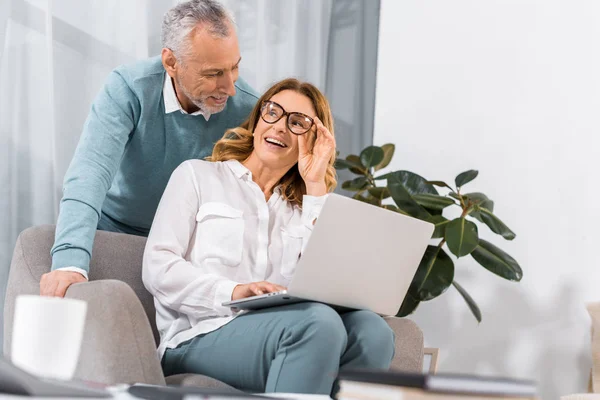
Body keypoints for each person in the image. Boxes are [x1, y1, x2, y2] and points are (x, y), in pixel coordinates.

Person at [142, 78, 395, 395]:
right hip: (197, 335)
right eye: (273, 112)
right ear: (258, 118)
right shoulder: (197, 176)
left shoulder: (304, 209)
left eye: (297, 123)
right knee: (318, 324)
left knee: (374, 332)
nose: (279, 127)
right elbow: (158, 266)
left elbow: (322, 284)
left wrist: (315, 184)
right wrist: (235, 291)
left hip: (288, 329)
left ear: (314, 140)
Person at [40, 0, 258, 297]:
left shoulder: (248, 107)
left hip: (190, 246)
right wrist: (69, 261)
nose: (230, 87)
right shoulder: (129, 87)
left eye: (234, 67)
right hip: (117, 229)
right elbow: (90, 173)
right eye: (212, 74)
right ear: (170, 62)